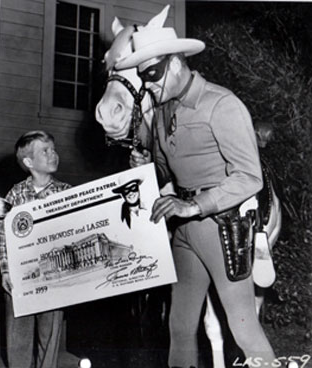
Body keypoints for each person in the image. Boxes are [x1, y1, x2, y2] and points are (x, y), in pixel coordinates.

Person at [115, 14, 276, 368]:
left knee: (243, 325)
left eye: (152, 74)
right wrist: (142, 166)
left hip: (222, 225)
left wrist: (195, 206)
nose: (148, 85)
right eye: (141, 77)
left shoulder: (222, 105)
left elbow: (250, 176)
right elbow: (163, 169)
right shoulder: (160, 114)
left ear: (175, 64)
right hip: (183, 231)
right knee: (180, 325)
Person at [0, 130, 71, 368]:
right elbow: (1, 233)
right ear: (28, 162)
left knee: (50, 335)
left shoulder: (67, 192)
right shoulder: (16, 194)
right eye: (45, 151)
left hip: (55, 275)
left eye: (53, 149)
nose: (53, 154)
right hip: (21, 276)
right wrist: (6, 271)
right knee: (18, 335)